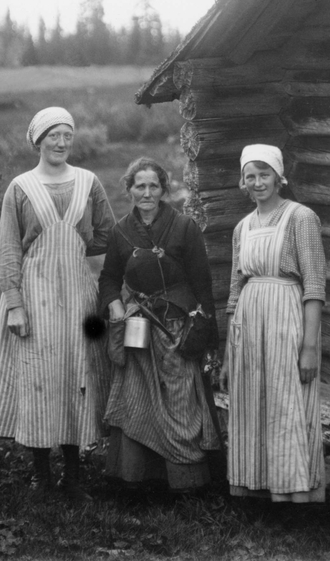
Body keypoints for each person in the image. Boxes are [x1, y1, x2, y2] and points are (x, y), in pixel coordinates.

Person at [0, 106, 115, 502]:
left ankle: (72, 477)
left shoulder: (89, 182)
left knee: (78, 377)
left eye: (67, 136)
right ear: (38, 140)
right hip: (34, 298)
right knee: (38, 381)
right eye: (53, 136)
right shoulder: (20, 187)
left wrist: (71, 248)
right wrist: (15, 303)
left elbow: (107, 234)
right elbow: (8, 250)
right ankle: (41, 476)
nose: (60, 143)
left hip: (78, 297)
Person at [99, 157, 220, 491]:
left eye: (154, 186)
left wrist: (205, 331)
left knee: (180, 401)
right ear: (130, 190)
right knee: (137, 401)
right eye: (140, 186)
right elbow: (109, 278)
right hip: (139, 328)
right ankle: (140, 481)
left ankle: (186, 484)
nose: (147, 193)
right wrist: (113, 304)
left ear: (164, 189)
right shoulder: (120, 232)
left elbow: (202, 283)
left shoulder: (184, 227)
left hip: (176, 328)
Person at [219, 144, 327, 502]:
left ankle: (295, 497)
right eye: (250, 176)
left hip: (286, 319)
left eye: (264, 174)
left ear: (279, 177)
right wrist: (228, 351)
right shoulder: (242, 227)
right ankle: (261, 494)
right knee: (253, 404)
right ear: (243, 182)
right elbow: (235, 290)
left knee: (287, 404)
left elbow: (313, 285)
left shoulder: (301, 217)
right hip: (249, 324)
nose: (257, 182)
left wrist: (309, 346)